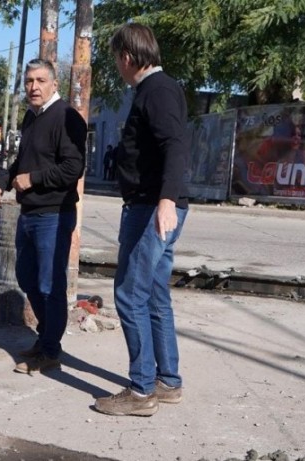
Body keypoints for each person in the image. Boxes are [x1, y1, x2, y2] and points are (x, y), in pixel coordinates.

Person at [93, 23, 191, 417]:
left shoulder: (158, 90)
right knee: (152, 294)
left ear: (127, 57)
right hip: (153, 204)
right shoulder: (155, 90)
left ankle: (141, 391)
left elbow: (175, 145)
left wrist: (166, 200)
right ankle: (167, 382)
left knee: (129, 294)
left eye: (117, 57)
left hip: (153, 207)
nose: (117, 64)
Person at [0, 58, 86, 374]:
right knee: (27, 277)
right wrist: (2, 183)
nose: (33, 87)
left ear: (55, 84)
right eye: (29, 81)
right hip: (29, 213)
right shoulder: (32, 117)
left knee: (49, 285)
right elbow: (21, 161)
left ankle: (50, 351)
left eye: (41, 80)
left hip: (54, 214)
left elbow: (74, 167)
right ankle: (45, 340)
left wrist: (34, 179)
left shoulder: (67, 117)